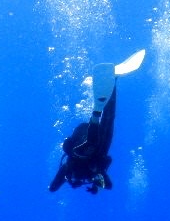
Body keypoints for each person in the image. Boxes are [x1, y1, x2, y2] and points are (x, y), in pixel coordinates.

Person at [49, 49, 144, 194]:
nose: (77, 179)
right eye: (78, 182)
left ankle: (95, 114)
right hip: (99, 148)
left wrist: (60, 182)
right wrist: (97, 183)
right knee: (109, 120)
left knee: (91, 143)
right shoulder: (92, 176)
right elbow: (110, 185)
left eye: (72, 180)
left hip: (81, 143)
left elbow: (53, 187)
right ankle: (113, 82)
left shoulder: (67, 171)